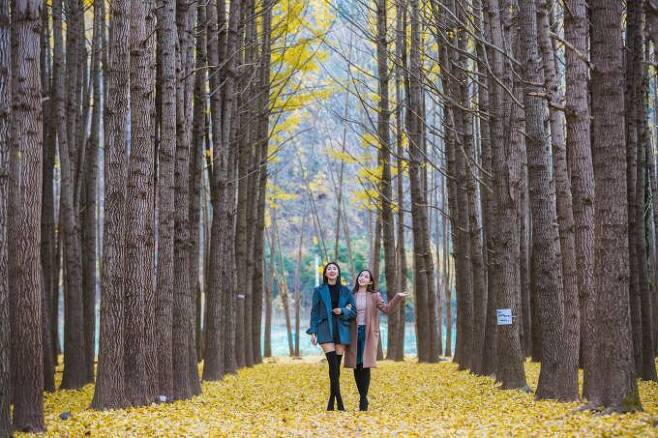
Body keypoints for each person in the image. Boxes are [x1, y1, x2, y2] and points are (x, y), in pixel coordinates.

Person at [344, 269, 407, 411]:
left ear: (370, 281)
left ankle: (363, 399)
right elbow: (345, 312)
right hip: (353, 333)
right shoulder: (350, 295)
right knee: (356, 365)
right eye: (361, 275)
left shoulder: (374, 295)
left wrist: (397, 297)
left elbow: (387, 309)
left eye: (366, 276)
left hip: (368, 333)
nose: (363, 277)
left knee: (365, 365)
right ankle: (362, 396)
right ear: (358, 278)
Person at [306, 262, 356, 411]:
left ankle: (331, 402)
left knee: (336, 368)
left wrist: (342, 311)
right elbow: (314, 312)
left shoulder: (346, 291)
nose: (332, 271)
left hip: (341, 329)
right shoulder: (319, 290)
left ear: (338, 272)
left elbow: (353, 311)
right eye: (329, 269)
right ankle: (339, 402)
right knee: (333, 364)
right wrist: (313, 331)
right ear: (325, 273)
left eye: (334, 268)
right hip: (324, 329)